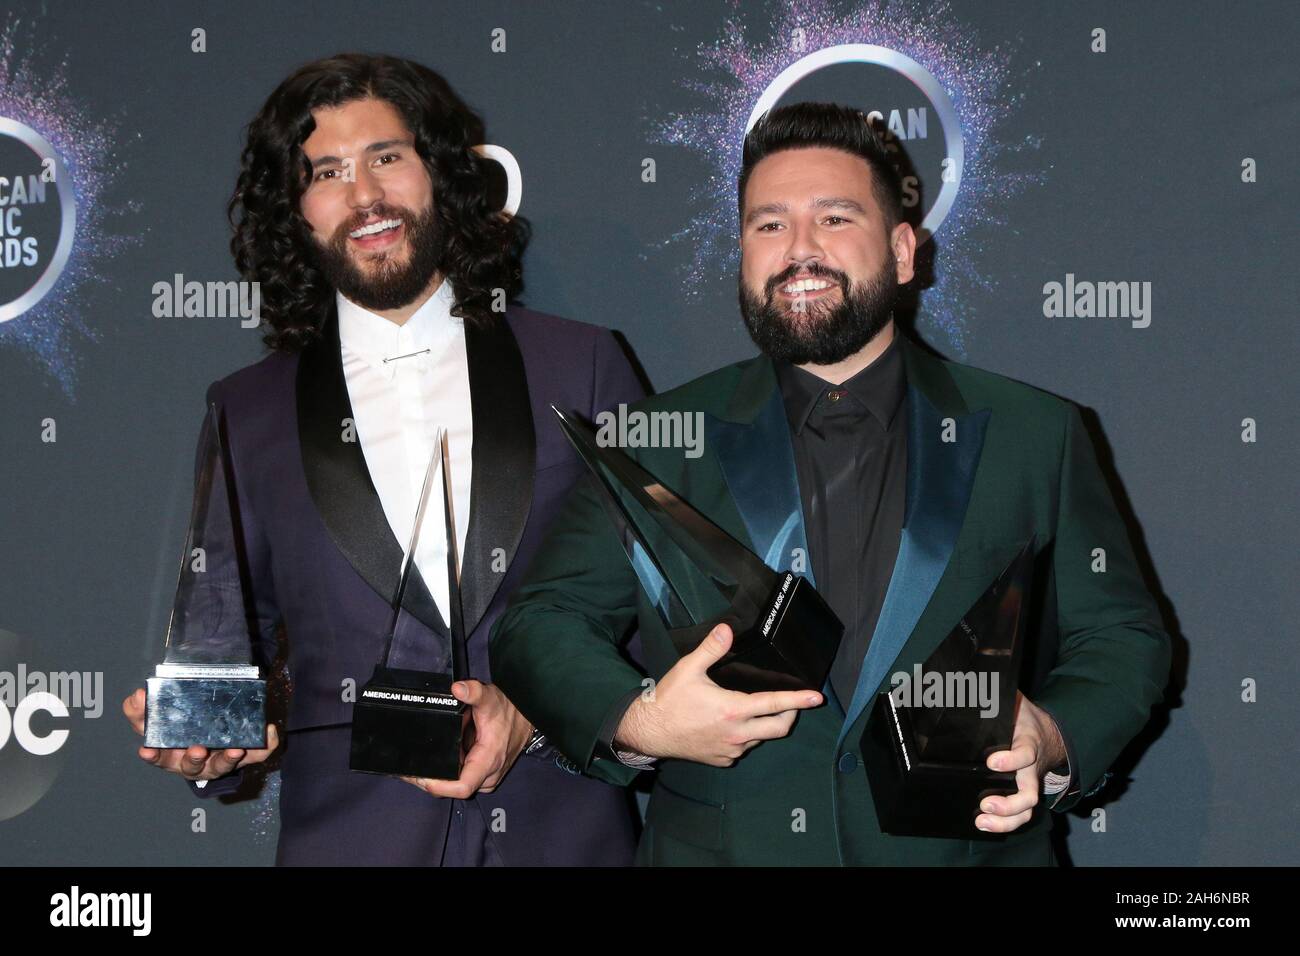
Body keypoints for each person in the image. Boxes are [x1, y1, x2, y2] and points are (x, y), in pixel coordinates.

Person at [490, 101, 1171, 865]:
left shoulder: (1035, 434)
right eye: (768, 224)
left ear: (904, 251)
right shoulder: (651, 438)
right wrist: (640, 720)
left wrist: (1051, 735)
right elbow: (540, 624)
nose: (798, 250)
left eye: (836, 219)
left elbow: (1121, 637)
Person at [122, 53, 643, 866]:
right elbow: (224, 641)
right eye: (326, 171)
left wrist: (540, 712)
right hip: (349, 843)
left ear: (439, 174)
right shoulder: (246, 410)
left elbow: (654, 605)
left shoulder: (582, 366)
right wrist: (212, 747)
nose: (364, 196)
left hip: (564, 837)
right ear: (295, 212)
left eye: (386, 158)